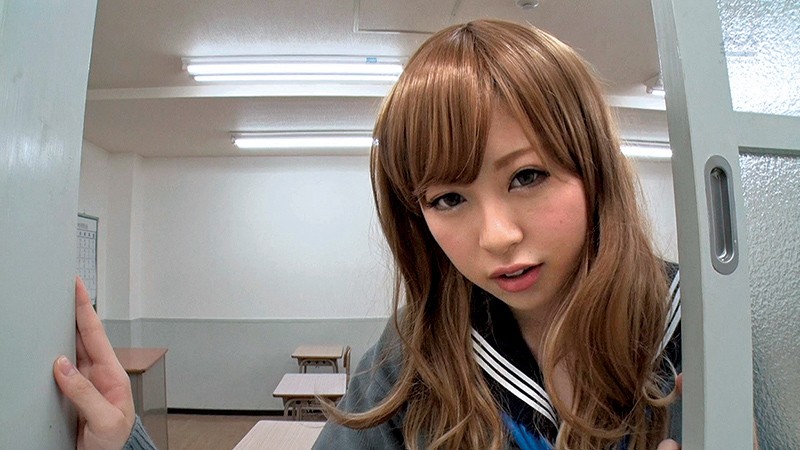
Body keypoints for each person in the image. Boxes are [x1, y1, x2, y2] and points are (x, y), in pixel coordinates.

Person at [54, 19, 683, 450]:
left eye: (527, 176)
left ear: (593, 168)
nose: (496, 235)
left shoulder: (692, 331)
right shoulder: (420, 347)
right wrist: (126, 440)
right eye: (449, 198)